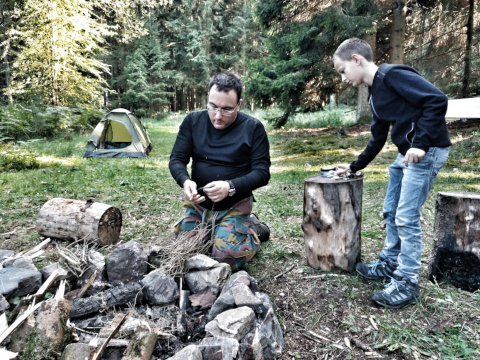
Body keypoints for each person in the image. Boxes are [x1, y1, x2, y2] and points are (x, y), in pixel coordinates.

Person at [332, 38, 451, 309]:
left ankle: (407, 280)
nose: (343, 79)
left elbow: (437, 100)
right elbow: (376, 139)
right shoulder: (375, 93)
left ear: (356, 60)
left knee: (406, 216)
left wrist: (420, 144)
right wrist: (354, 166)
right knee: (391, 210)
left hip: (426, 151)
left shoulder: (392, 75)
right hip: (405, 154)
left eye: (342, 71)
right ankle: (389, 263)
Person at [169, 72, 271, 271]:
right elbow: (177, 160)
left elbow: (262, 173)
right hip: (200, 205)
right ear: (207, 98)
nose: (217, 116)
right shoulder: (193, 121)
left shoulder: (253, 128)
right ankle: (213, 230)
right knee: (184, 251)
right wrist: (185, 181)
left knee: (225, 258)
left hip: (234, 203)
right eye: (213, 106)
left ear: (239, 105)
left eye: (226, 109)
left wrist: (230, 187)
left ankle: (253, 230)